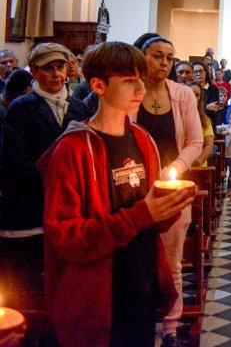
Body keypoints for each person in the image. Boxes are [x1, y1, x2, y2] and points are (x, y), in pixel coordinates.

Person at [38, 42, 193, 347]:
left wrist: (169, 207)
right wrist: (143, 215)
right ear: (98, 85)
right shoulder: (74, 149)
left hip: (142, 282)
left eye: (141, 79)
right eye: (128, 81)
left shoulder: (142, 140)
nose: (141, 88)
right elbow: (66, 236)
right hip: (99, 292)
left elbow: (149, 218)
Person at [0, 43, 88, 327]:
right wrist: (56, 184)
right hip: (31, 205)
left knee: (64, 282)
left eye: (60, 67)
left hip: (69, 206)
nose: (55, 74)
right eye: (47, 68)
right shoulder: (22, 108)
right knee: (28, 282)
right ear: (34, 72)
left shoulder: (78, 107)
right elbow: (17, 160)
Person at [137, 36, 203, 346]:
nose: (164, 63)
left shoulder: (182, 95)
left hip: (172, 189)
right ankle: (139, 322)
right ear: (142, 57)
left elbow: (195, 141)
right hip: (134, 191)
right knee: (137, 262)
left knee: (172, 262)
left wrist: (173, 166)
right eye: (157, 56)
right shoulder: (130, 91)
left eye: (169, 58)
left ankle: (169, 327)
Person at [186, 81, 215, 166]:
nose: (194, 97)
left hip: (198, 166)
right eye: (191, 93)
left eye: (197, 95)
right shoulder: (176, 116)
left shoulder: (204, 120)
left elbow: (208, 146)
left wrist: (198, 161)